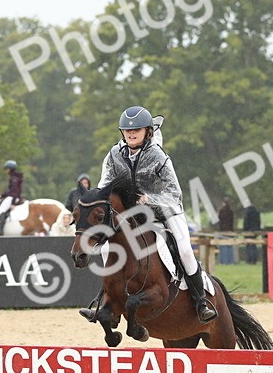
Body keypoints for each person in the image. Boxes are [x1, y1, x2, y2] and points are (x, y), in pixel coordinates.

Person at [94, 105, 216, 323]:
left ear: (147, 131)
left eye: (137, 130)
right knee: (105, 247)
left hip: (166, 210)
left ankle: (200, 302)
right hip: (132, 213)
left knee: (186, 250)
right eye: (127, 130)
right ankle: (106, 299)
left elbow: (174, 193)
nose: (131, 133)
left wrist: (150, 200)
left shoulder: (158, 156)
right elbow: (104, 184)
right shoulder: (114, 154)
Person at [0, 160, 24, 235]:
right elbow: (10, 191)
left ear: (10, 169)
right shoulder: (15, 177)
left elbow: (14, 191)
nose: (6, 171)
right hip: (14, 196)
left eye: (7, 169)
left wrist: (13, 203)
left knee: (2, 210)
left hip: (13, 197)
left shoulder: (13, 178)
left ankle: (0, 230)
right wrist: (2, 195)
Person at [217, 197, 235, 264]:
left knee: (223, 246)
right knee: (230, 246)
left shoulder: (222, 211)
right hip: (230, 230)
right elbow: (232, 221)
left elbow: (220, 220)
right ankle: (230, 261)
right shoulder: (231, 211)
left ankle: (224, 261)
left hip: (223, 230)